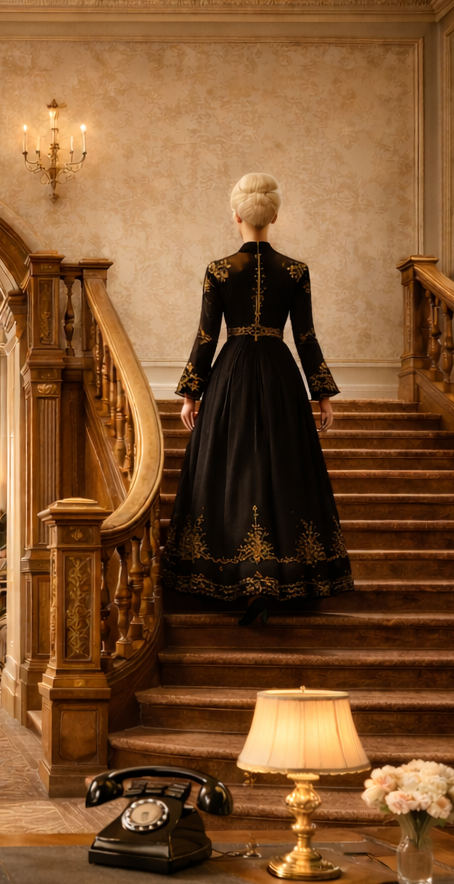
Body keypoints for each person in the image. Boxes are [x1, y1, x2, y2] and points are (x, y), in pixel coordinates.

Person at [161, 173, 353, 626]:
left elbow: (208, 336)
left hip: (230, 376)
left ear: (237, 216)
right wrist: (321, 393)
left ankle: (234, 574)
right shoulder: (295, 271)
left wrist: (192, 392)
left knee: (232, 468)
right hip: (280, 373)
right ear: (274, 216)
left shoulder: (219, 269)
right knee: (281, 468)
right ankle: (282, 573)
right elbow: (304, 337)